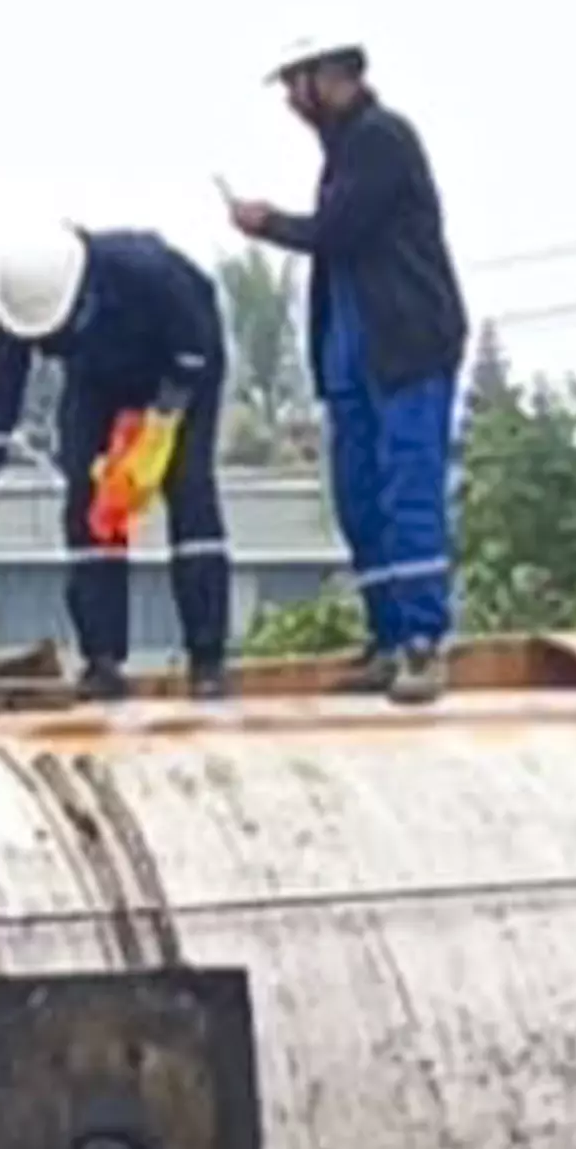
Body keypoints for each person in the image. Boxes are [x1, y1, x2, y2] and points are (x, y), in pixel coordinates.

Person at [228, 34, 470, 704]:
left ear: (326, 78)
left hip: (405, 344)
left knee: (407, 488)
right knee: (359, 496)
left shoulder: (381, 140)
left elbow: (338, 231)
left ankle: (424, 640)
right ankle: (388, 637)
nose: (290, 102)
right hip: (354, 348)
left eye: (294, 85)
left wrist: (266, 222)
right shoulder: (344, 153)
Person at [0, 226, 237, 701]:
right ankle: (104, 659)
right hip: (98, 379)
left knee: (189, 489)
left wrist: (159, 426)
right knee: (88, 503)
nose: (46, 348)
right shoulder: (20, 312)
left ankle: (208, 659)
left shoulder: (147, 274)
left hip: (180, 366)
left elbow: (194, 348)